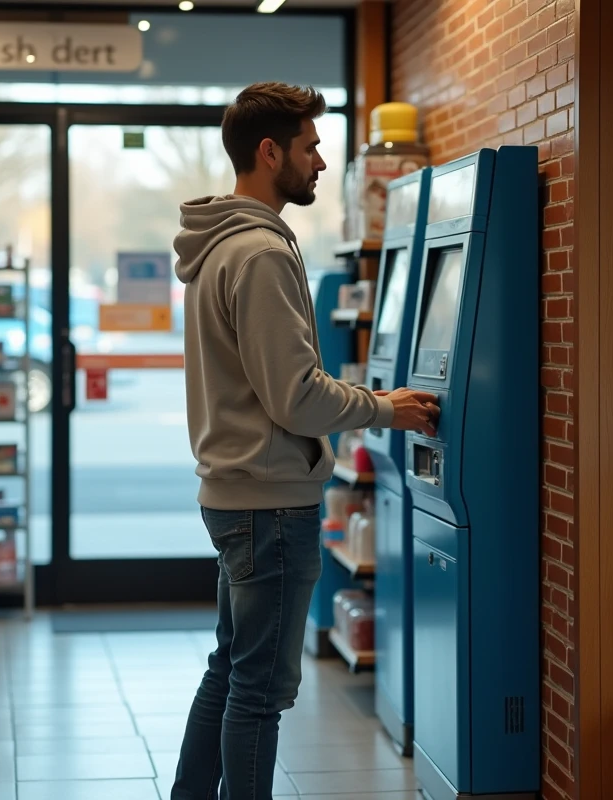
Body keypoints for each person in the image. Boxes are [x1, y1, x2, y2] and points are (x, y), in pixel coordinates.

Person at [170, 82, 441, 800]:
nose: (321, 162)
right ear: (270, 152)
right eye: (311, 146)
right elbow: (295, 396)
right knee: (260, 692)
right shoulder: (259, 253)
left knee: (230, 670)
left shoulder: (219, 246)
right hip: (271, 506)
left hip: (237, 497)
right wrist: (385, 408)